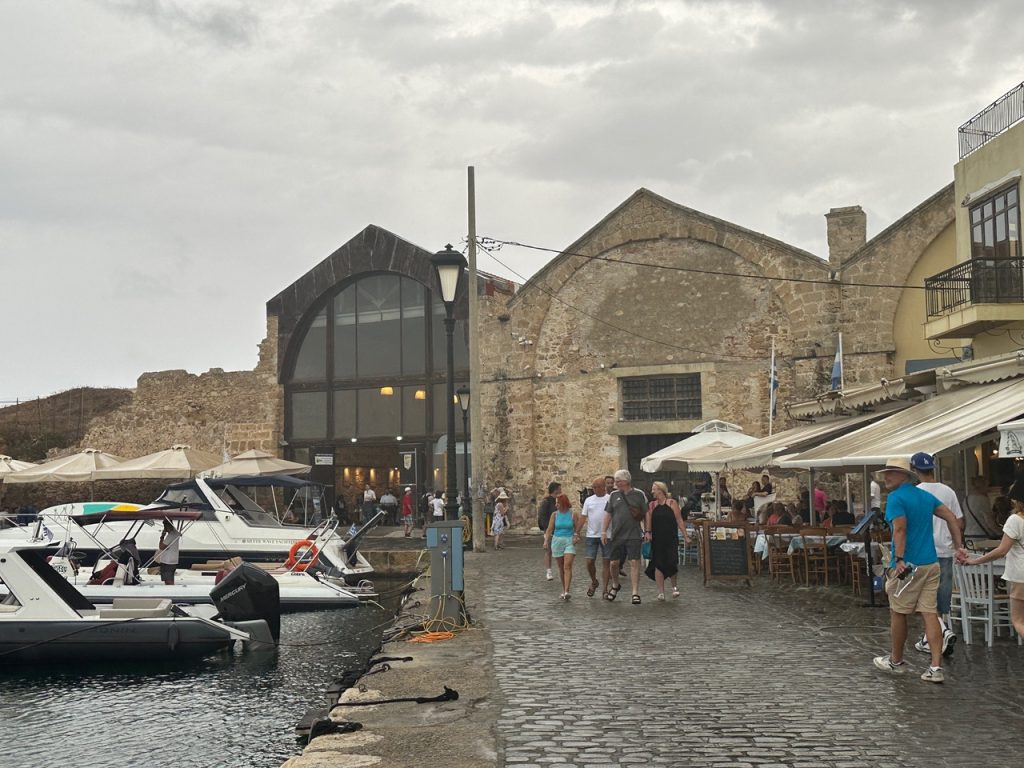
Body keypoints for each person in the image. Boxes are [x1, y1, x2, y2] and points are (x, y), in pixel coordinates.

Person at [872, 457, 965, 684]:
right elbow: (952, 517)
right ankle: (935, 667)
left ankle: (896, 661)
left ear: (904, 475)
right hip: (931, 563)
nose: (886, 477)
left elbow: (900, 530)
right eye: (885, 472)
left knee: (898, 611)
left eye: (891, 472)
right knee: (930, 613)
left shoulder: (896, 498)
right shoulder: (924, 496)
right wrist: (958, 546)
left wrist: (899, 559)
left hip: (908, 566)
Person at [910, 452, 963, 658]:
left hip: (923, 551)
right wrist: (957, 545)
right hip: (945, 550)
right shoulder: (948, 491)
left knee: (923, 599)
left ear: (914, 470)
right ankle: (929, 639)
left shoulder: (915, 493)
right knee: (940, 599)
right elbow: (958, 521)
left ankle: (944, 632)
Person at [961, 479, 1024, 640]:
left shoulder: (1015, 520)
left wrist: (975, 561)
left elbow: (1002, 550)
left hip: (1020, 576)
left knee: (1018, 621)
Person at [601, 469, 648, 604]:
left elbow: (646, 513)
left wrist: (648, 531)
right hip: (617, 535)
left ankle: (635, 592)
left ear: (626, 481)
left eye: (618, 481)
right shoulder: (613, 495)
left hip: (634, 534)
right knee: (614, 563)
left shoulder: (639, 494)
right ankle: (615, 584)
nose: (615, 483)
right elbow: (608, 514)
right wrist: (603, 531)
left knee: (634, 562)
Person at [644, 481, 691, 600]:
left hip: (671, 538)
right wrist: (647, 532)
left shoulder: (672, 503)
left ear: (660, 490)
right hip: (657, 539)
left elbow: (679, 520)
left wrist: (685, 535)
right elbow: (648, 520)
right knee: (658, 563)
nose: (652, 491)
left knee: (672, 562)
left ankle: (674, 587)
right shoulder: (652, 505)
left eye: (654, 489)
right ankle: (661, 592)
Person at [544, 493, 583, 600]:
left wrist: (576, 536)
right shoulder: (554, 515)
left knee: (567, 565)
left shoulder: (573, 514)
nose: (556, 505)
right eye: (556, 503)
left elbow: (577, 528)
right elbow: (549, 529)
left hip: (569, 541)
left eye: (558, 503)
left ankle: (567, 591)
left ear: (563, 503)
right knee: (561, 568)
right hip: (557, 541)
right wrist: (546, 540)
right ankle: (564, 588)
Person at [582, 476, 610, 598]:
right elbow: (583, 516)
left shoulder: (610, 499)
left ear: (603, 487)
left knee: (606, 562)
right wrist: (577, 532)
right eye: (593, 487)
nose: (594, 489)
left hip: (607, 535)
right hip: (591, 535)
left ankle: (605, 589)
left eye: (596, 487)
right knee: (589, 561)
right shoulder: (589, 500)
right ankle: (594, 581)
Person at [537, 481, 561, 581]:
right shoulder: (546, 501)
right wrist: (546, 530)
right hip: (549, 530)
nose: (561, 490)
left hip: (559, 530)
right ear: (555, 490)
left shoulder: (559, 500)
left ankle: (562, 570)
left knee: (560, 551)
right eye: (559, 489)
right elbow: (542, 516)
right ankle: (549, 571)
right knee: (548, 551)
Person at [155, 519, 181, 586]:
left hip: (168, 561)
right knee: (168, 579)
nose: (164, 528)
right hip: (171, 560)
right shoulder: (175, 533)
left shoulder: (171, 535)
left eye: (165, 526)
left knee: (168, 580)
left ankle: (170, 589)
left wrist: (162, 537)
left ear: (168, 525)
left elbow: (161, 547)